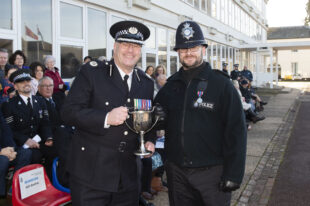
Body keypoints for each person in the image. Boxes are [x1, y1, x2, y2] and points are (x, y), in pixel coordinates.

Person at [61, 20, 156, 206]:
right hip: (91, 173)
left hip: (128, 174)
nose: (130, 50)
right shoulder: (92, 73)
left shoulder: (145, 82)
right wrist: (105, 118)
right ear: (115, 46)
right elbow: (68, 112)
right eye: (125, 44)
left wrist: (150, 139)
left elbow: (146, 119)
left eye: (136, 45)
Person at [154, 21, 247, 206]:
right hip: (177, 172)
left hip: (212, 172)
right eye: (183, 48)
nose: (188, 52)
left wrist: (234, 173)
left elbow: (236, 130)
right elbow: (158, 121)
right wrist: (158, 120)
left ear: (203, 49)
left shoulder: (221, 85)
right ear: (178, 52)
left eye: (194, 47)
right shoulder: (171, 86)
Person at [1, 69, 55, 170]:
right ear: (16, 86)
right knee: (34, 156)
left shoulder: (40, 100)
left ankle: (50, 182)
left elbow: (45, 123)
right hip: (22, 144)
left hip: (39, 140)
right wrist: (25, 140)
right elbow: (9, 130)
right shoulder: (9, 105)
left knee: (55, 151)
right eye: (22, 82)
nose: (26, 83)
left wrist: (48, 137)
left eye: (28, 81)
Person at [0, 110, 32, 198]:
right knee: (3, 160)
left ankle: (15, 189)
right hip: (1, 154)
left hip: (4, 149)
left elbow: (6, 130)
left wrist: (11, 148)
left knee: (25, 153)